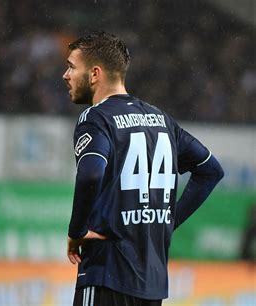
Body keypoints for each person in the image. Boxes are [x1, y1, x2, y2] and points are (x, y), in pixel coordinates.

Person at [63, 31, 224, 306]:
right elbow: (210, 170)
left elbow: (91, 173)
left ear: (95, 74)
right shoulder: (161, 120)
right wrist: (170, 220)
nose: (66, 75)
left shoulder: (96, 118)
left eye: (71, 67)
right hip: (151, 283)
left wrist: (76, 231)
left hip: (107, 272)